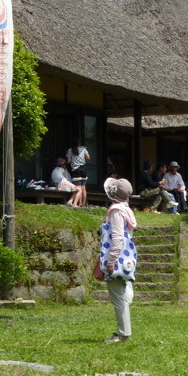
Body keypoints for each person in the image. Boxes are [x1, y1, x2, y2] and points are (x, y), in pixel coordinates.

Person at [99, 177, 137, 343]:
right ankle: (124, 332)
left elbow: (117, 238)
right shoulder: (126, 209)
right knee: (122, 295)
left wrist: (111, 261)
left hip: (116, 258)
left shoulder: (115, 211)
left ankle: (123, 334)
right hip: (126, 259)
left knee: (118, 298)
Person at [65, 140, 90, 208]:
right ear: (79, 144)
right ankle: (83, 204)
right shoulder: (83, 149)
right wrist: (84, 149)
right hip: (83, 169)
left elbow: (69, 161)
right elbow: (88, 157)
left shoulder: (70, 150)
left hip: (76, 170)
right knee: (83, 188)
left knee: (78, 188)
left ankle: (78, 203)